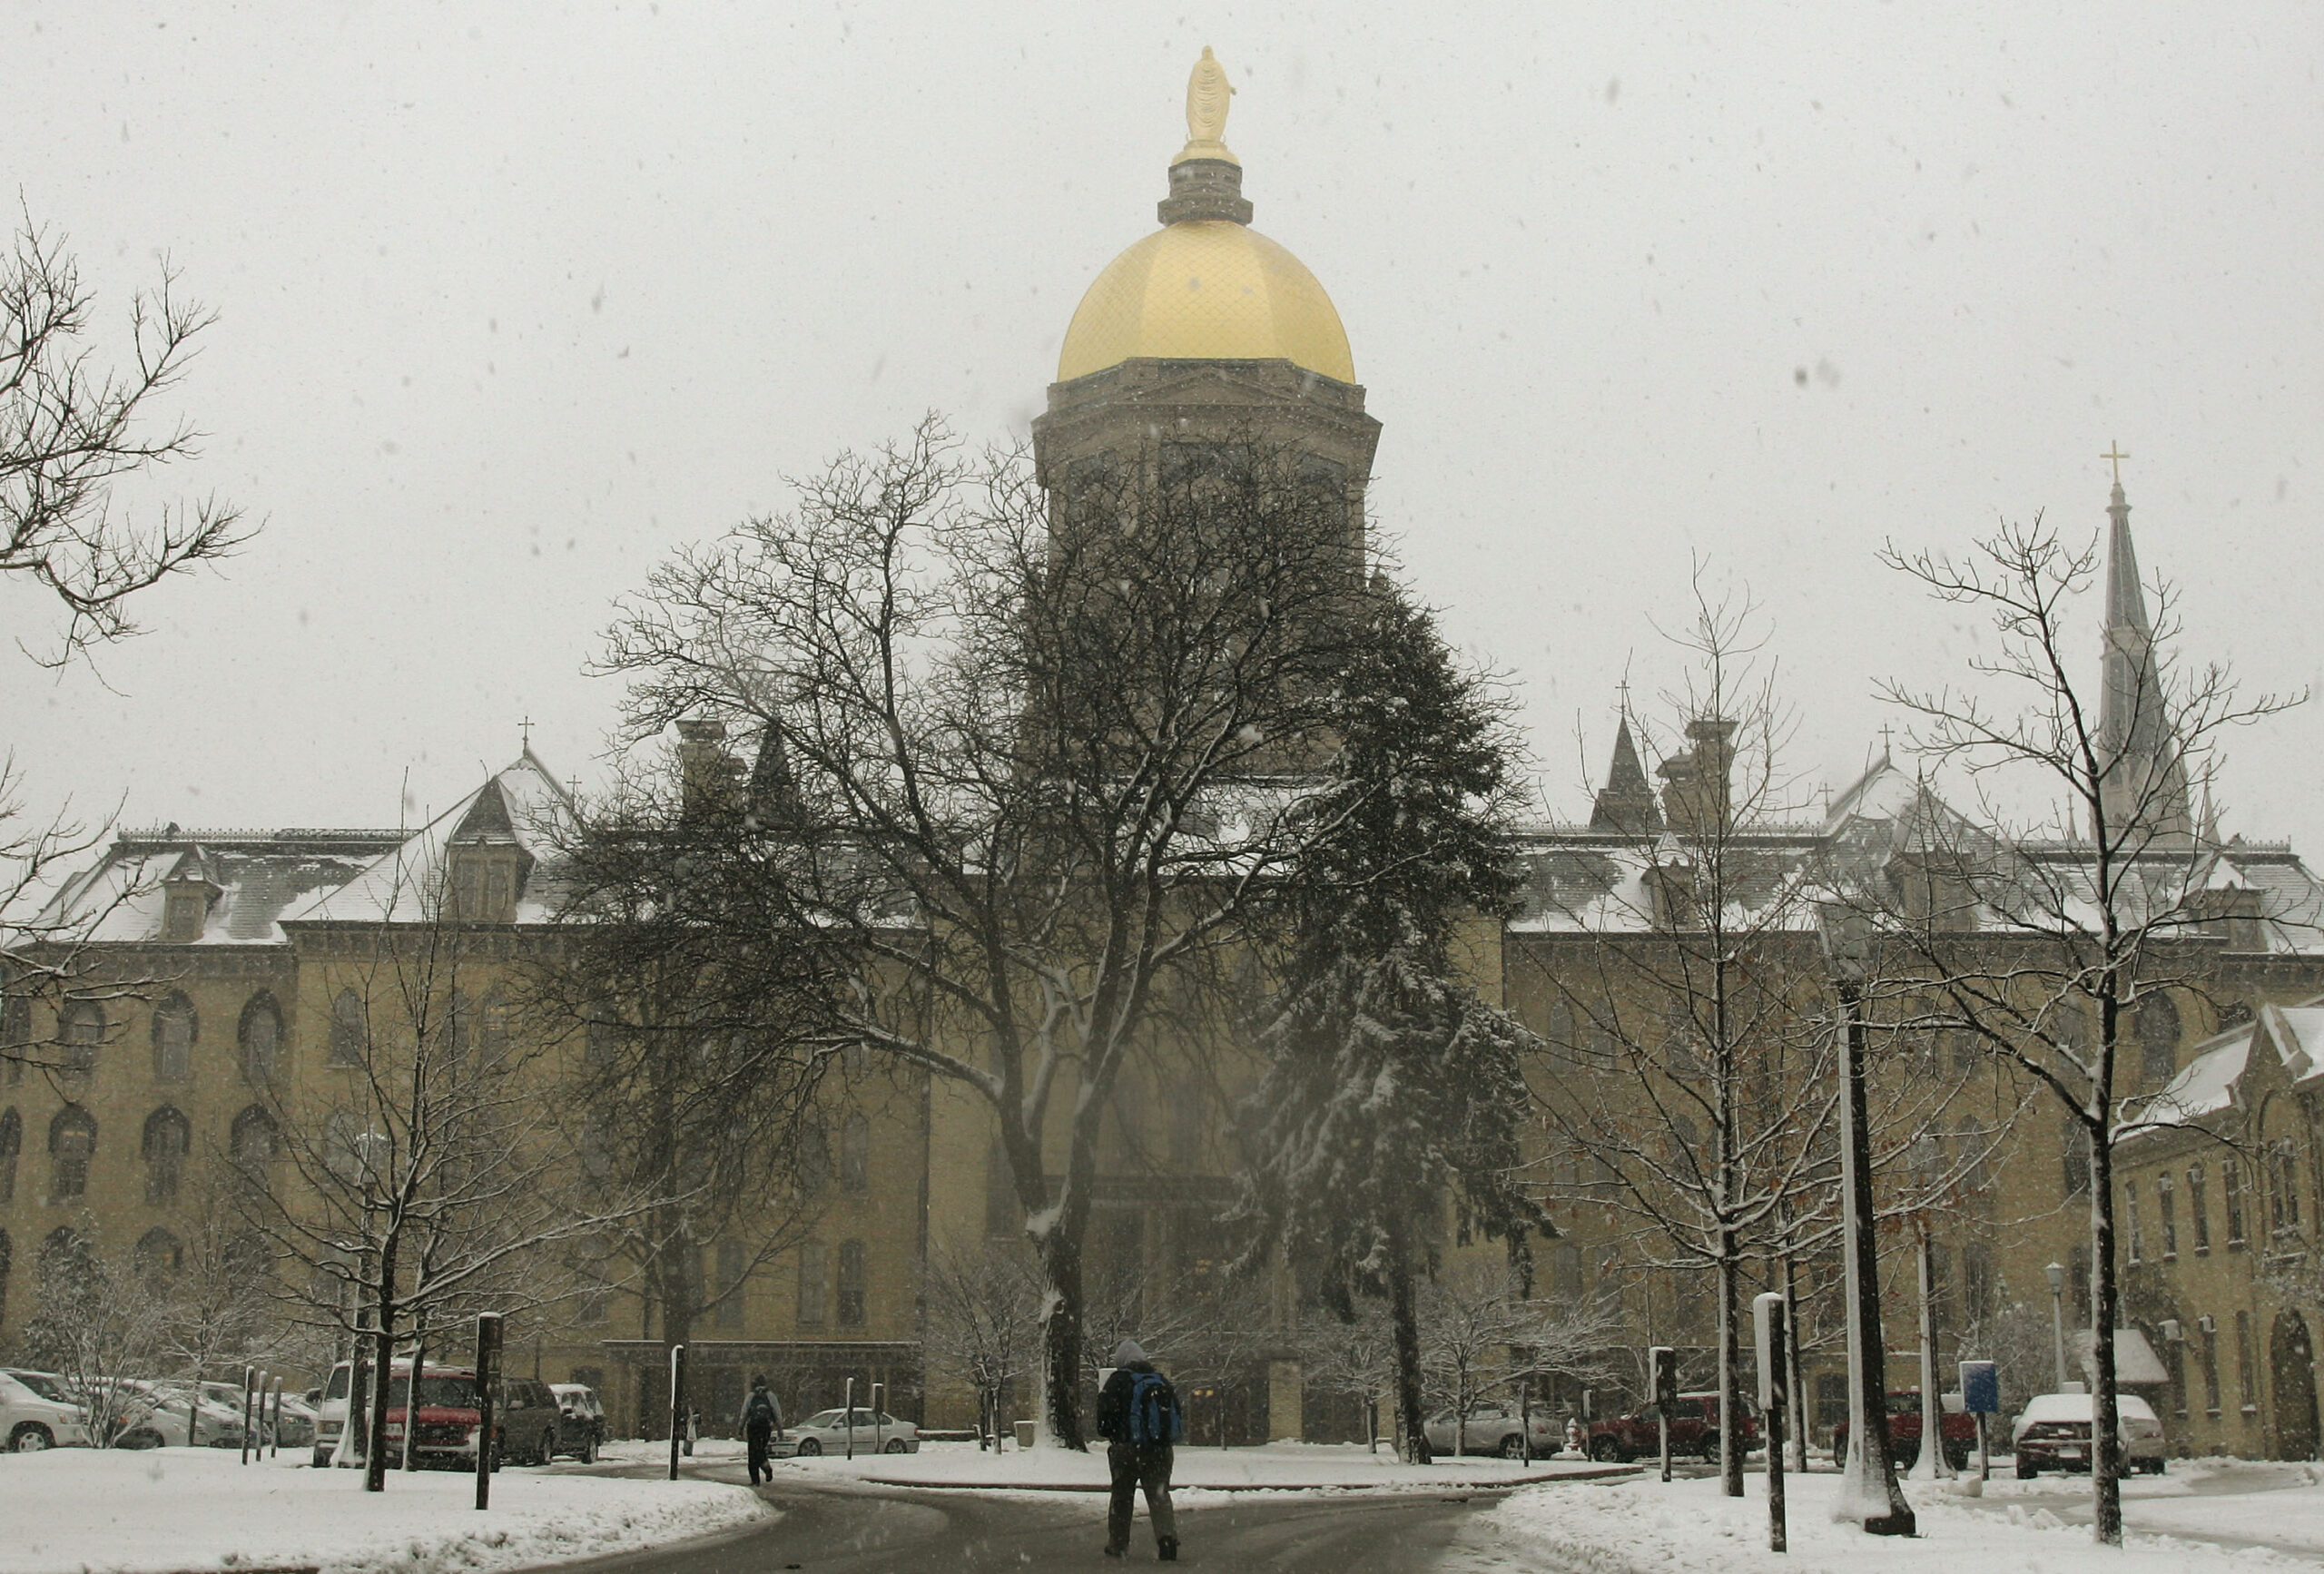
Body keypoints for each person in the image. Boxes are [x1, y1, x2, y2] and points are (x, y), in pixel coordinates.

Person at [1094, 1339, 1179, 1561]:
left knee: (1122, 1497)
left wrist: (1116, 1434)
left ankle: (1118, 1544)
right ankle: (1167, 1539)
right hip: (1160, 1449)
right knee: (1159, 1496)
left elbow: (1103, 1423)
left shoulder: (1117, 1381)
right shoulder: (1160, 1381)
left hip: (1126, 1449)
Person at [737, 1377, 783, 1486]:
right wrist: (780, 1428)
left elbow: (744, 1412)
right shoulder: (770, 1395)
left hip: (753, 1426)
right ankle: (766, 1467)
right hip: (765, 1426)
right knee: (761, 1449)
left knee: (752, 1451)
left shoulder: (751, 1396)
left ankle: (755, 1480)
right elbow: (777, 1412)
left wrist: (740, 1427)